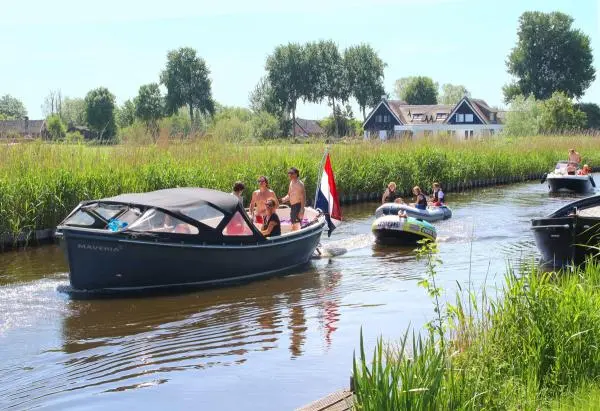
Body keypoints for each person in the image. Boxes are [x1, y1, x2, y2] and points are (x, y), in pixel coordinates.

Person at [280, 167, 305, 231]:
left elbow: (303, 197)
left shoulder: (300, 184)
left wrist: (302, 210)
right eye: (289, 173)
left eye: (291, 173)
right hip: (293, 206)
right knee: (294, 223)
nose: (289, 175)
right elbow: (289, 195)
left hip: (298, 206)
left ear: (296, 174)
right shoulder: (291, 182)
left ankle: (296, 236)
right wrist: (282, 200)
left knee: (296, 224)